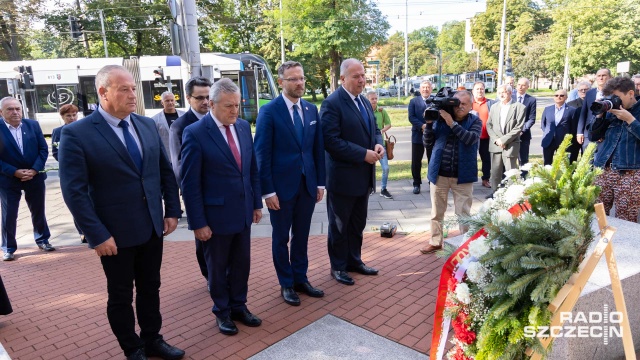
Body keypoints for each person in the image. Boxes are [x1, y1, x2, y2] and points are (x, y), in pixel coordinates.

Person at [59, 65, 184, 360]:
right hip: (113, 234)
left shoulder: (145, 125)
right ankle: (132, 347)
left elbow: (163, 171)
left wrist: (173, 210)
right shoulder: (77, 134)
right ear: (103, 93)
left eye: (133, 89)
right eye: (124, 89)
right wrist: (97, 234)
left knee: (150, 287)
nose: (132, 96)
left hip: (152, 226)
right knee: (120, 295)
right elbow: (74, 192)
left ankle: (153, 338)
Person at [181, 78, 263, 335]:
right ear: (212, 104)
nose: (234, 111)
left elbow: (251, 170)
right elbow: (189, 183)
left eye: (237, 105)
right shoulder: (195, 133)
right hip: (214, 217)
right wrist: (198, 222)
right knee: (217, 269)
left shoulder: (241, 127)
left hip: (243, 213)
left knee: (242, 264)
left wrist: (256, 203)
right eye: (229, 106)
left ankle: (239, 306)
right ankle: (222, 311)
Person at [254, 61, 326, 307]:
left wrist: (320, 184)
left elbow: (317, 149)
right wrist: (268, 191)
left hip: (307, 185)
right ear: (282, 82)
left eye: (302, 78)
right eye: (293, 79)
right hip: (281, 189)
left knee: (302, 236)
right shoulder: (269, 111)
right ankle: (286, 283)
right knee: (280, 238)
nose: (299, 83)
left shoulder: (310, 109)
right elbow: (261, 153)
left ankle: (300, 278)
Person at [320, 59, 384, 286]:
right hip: (343, 178)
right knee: (339, 225)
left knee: (358, 223)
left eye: (363, 75)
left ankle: (354, 260)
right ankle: (338, 267)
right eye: (356, 76)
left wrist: (378, 144)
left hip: (364, 177)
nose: (361, 80)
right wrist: (363, 154)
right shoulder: (332, 103)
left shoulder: (365, 102)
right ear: (343, 79)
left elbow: (375, 129)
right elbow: (331, 142)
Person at [420, 91, 481, 254]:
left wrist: (452, 123)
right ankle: (435, 241)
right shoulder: (440, 120)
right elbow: (427, 143)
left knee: (463, 213)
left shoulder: (475, 121)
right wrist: (430, 125)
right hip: (439, 174)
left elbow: (469, 139)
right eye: (457, 103)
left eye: (464, 104)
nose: (460, 107)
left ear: (471, 106)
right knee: (436, 212)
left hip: (463, 177)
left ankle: (465, 245)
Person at [168, 76, 212, 285]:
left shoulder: (217, 118)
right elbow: (179, 166)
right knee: (203, 238)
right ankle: (209, 276)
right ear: (188, 98)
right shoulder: (180, 126)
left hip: (221, 193)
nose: (205, 101)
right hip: (198, 193)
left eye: (208, 97)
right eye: (200, 97)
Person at [0, 97, 54, 261]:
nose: (15, 112)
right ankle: (8, 247)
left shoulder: (33, 125)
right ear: (1, 112)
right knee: (9, 214)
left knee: (38, 210)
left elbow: (43, 149)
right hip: (8, 179)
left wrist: (34, 169)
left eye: (17, 108)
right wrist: (14, 172)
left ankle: (43, 239)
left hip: (34, 177)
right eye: (10, 109)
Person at [589, 76, 640, 222]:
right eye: (611, 97)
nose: (613, 101)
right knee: (597, 216)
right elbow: (593, 136)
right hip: (603, 169)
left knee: (625, 219)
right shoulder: (611, 110)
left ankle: (621, 245)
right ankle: (598, 245)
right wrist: (599, 114)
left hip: (630, 173)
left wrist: (630, 120)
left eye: (616, 97)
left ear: (630, 93)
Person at [52, 104, 85, 243]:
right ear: (62, 117)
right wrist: (68, 162)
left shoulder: (84, 128)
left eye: (74, 115)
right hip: (69, 173)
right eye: (68, 116)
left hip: (86, 171)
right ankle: (82, 232)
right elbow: (55, 152)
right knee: (76, 201)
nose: (72, 118)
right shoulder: (57, 132)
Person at [486, 85, 526, 191]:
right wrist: (497, 140)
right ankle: (495, 196)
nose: (501, 95)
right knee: (495, 174)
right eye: (499, 93)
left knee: (512, 174)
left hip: (511, 145)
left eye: (504, 92)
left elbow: (518, 128)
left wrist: (503, 140)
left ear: (510, 92)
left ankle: (513, 197)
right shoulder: (494, 107)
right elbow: (489, 125)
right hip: (496, 145)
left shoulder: (519, 107)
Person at [540, 89, 579, 165]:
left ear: (566, 97)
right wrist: (549, 133)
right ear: (553, 97)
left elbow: (574, 127)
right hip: (548, 141)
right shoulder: (547, 109)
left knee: (563, 165)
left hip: (563, 142)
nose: (559, 97)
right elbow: (543, 124)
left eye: (562, 95)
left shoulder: (572, 110)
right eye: (556, 95)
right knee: (547, 164)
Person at [366, 90, 393, 199]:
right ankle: (370, 188)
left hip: (380, 144)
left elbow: (389, 124)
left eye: (376, 98)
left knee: (385, 168)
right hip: (367, 145)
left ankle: (383, 189)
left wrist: (381, 131)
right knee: (368, 169)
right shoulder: (365, 111)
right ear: (367, 99)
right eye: (372, 99)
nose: (375, 101)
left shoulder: (381, 111)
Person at [408, 80, 433, 194]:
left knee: (432, 160)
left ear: (431, 89)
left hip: (432, 135)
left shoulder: (434, 101)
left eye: (427, 87)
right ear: (420, 89)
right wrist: (422, 126)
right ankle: (416, 184)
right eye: (423, 87)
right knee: (416, 161)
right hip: (418, 135)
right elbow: (411, 117)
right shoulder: (413, 101)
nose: (425, 89)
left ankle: (432, 182)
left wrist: (429, 126)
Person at [578, 68, 611, 152]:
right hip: (588, 134)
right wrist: (579, 132)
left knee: (599, 163)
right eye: (599, 76)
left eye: (604, 75)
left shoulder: (614, 94)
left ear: (610, 77)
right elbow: (584, 113)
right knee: (586, 162)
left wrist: (600, 133)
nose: (601, 78)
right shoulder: (589, 93)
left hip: (604, 136)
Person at [471, 81, 496, 188]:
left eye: (481, 89)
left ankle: (485, 179)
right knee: (471, 159)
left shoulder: (490, 103)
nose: (480, 91)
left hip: (486, 137)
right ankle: (470, 179)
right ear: (473, 91)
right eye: (477, 89)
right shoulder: (469, 103)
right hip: (472, 137)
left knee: (486, 159)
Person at [514, 78, 537, 177]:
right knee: (509, 159)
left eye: (523, 85)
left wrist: (522, 130)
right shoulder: (511, 97)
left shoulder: (531, 100)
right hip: (509, 134)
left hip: (524, 135)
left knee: (523, 159)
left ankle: (524, 179)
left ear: (527, 87)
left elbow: (531, 119)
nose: (520, 87)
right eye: (519, 84)